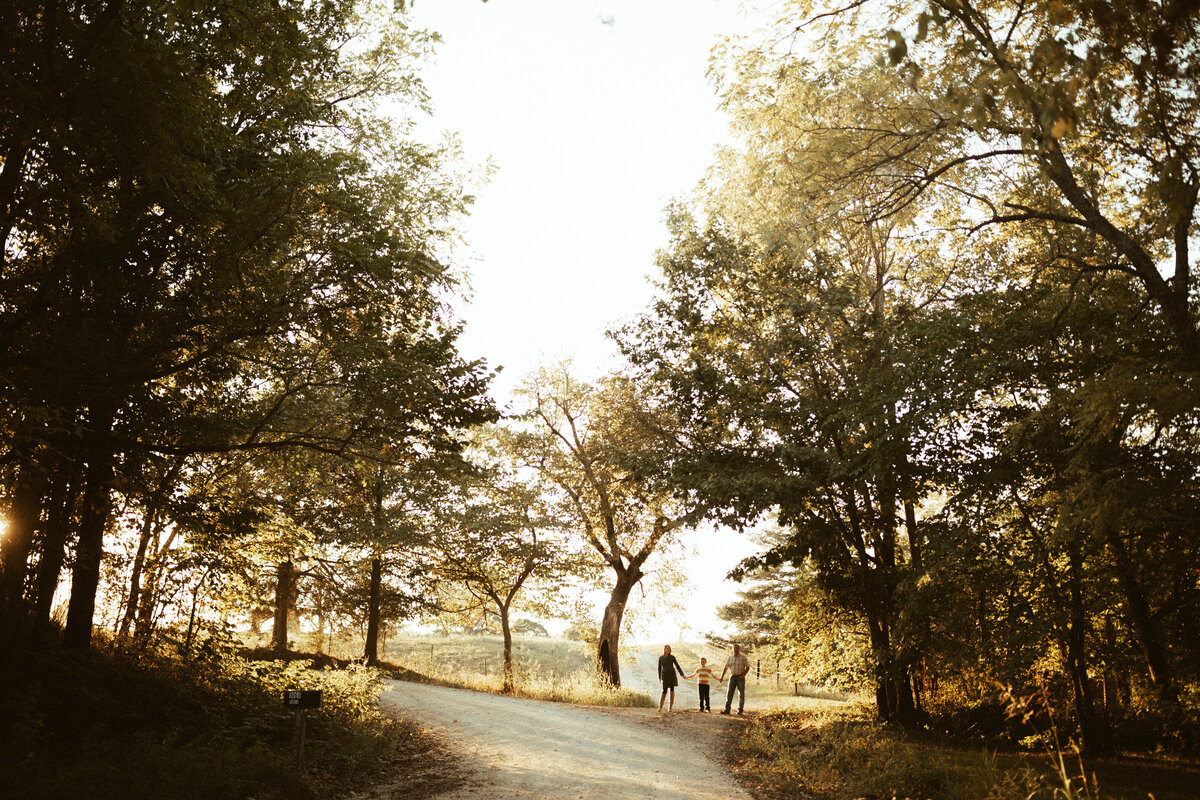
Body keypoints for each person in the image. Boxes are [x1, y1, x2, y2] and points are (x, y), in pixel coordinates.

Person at [720, 644, 750, 715]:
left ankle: (740, 710)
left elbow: (748, 667)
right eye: (734, 648)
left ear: (739, 649)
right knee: (729, 693)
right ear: (732, 649)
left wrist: (743, 675)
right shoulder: (730, 658)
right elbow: (726, 667)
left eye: (737, 648)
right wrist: (722, 677)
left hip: (740, 678)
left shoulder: (743, 657)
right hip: (732, 677)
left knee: (741, 694)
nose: (735, 649)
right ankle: (727, 709)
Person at [657, 644, 686, 713]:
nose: (668, 650)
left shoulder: (672, 657)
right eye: (666, 648)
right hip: (665, 675)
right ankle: (660, 707)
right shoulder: (661, 658)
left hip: (672, 675)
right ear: (664, 649)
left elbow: (677, 666)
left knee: (672, 690)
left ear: (670, 650)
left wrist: (682, 674)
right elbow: (659, 668)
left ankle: (670, 708)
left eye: (669, 648)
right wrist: (659, 677)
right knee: (664, 690)